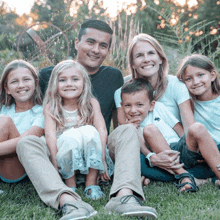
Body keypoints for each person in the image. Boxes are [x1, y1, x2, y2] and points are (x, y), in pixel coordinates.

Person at [17, 20, 157, 219]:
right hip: (60, 150)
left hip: (96, 153)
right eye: (90, 42)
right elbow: (39, 120)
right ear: (76, 43)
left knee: (127, 130)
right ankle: (68, 200)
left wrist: (132, 164)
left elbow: (118, 124)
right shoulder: (48, 75)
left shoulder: (113, 76)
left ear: (108, 50)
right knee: (26, 142)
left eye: (103, 45)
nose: (96, 50)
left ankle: (124, 196)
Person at [114, 33, 196, 184]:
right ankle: (189, 176)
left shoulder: (175, 85)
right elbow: (125, 130)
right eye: (139, 55)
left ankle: (162, 174)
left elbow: (189, 129)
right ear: (132, 63)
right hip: (145, 151)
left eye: (151, 53)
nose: (146, 59)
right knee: (132, 159)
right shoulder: (124, 91)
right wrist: (152, 157)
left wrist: (189, 151)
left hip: (176, 147)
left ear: (160, 59)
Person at [44, 60, 113, 199]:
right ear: (54, 84)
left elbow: (102, 130)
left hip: (90, 156)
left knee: (90, 131)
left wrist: (103, 159)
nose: (69, 84)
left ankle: (91, 183)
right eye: (62, 80)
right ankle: (70, 185)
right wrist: (54, 163)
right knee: (70, 137)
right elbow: (50, 136)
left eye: (75, 79)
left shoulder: (91, 103)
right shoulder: (51, 107)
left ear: (84, 83)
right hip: (65, 155)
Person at [176, 54, 220, 184]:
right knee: (197, 129)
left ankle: (211, 177)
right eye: (189, 79)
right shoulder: (186, 103)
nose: (196, 82)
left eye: (201, 75)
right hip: (199, 154)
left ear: (212, 75)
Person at [0, 60, 44, 189]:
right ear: (7, 89)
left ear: (35, 83)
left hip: (20, 167)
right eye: (14, 81)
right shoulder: (4, 109)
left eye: (26, 79)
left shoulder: (42, 112)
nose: (21, 85)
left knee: (5, 121)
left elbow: (23, 141)